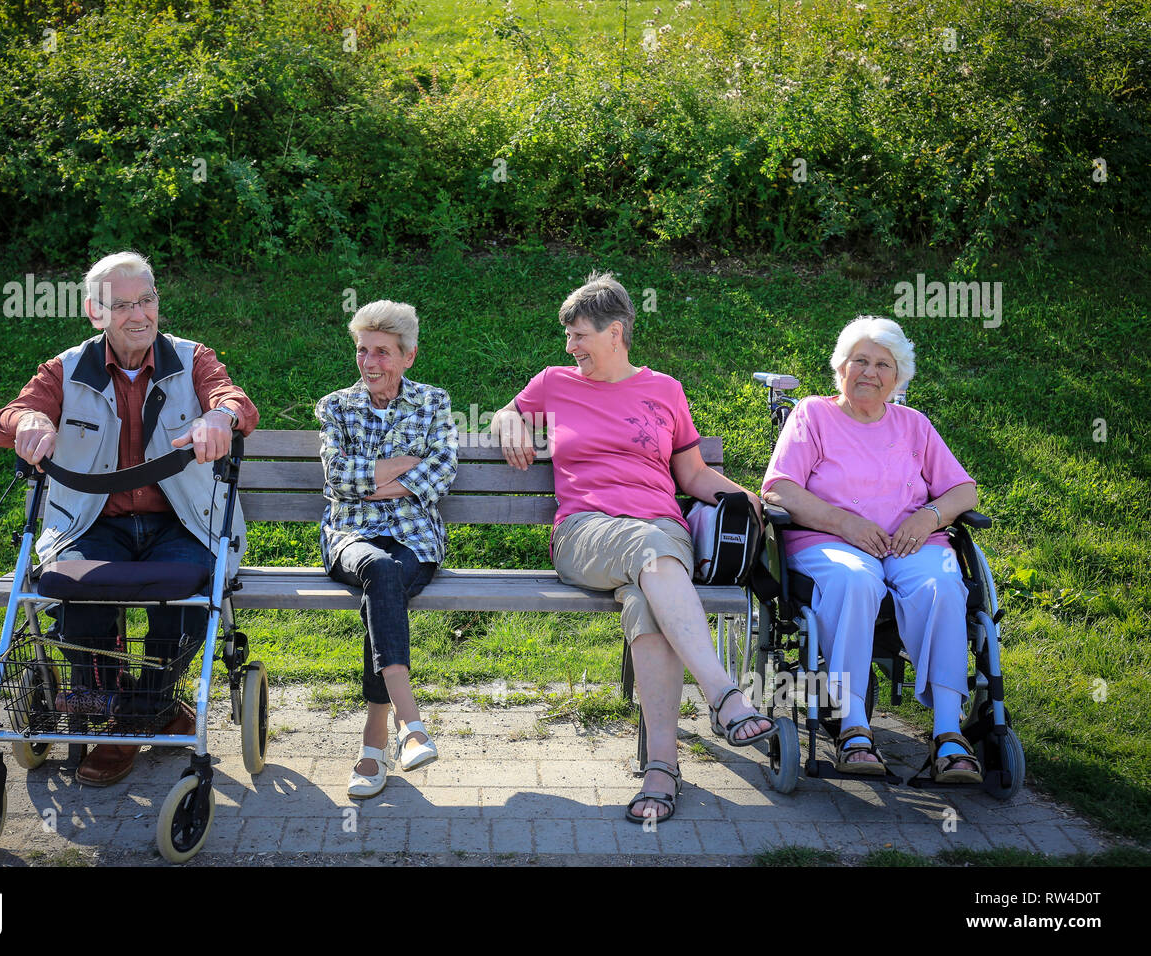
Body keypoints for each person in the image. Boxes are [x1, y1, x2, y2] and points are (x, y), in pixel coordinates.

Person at [490, 272, 774, 825]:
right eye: (567, 337)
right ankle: (724, 696)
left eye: (579, 336)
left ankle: (661, 770)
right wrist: (509, 424)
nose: (570, 347)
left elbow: (690, 472)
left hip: (660, 537)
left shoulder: (664, 389)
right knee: (650, 549)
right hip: (584, 533)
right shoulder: (553, 383)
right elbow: (507, 411)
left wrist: (747, 497)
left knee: (650, 596)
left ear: (615, 332)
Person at [0, 250, 258, 786]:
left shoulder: (192, 358)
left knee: (182, 599)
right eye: (122, 304)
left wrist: (219, 418)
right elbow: (1, 421)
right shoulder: (65, 368)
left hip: (182, 521)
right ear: (95, 313)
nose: (139, 314)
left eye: (148, 300)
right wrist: (30, 418)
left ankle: (128, 720)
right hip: (92, 523)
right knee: (77, 597)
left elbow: (235, 402)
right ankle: (146, 708)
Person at [761, 315, 982, 782]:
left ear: (897, 377)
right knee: (856, 579)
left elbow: (964, 491)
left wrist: (930, 517)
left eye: (883, 364)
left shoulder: (914, 425)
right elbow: (780, 489)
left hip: (909, 541)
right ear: (840, 367)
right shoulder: (813, 416)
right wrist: (844, 522)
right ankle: (854, 727)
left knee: (943, 582)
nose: (869, 373)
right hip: (830, 542)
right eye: (859, 360)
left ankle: (948, 732)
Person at [316, 300, 458, 799]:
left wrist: (371, 481)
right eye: (362, 351)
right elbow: (337, 477)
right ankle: (410, 724)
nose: (370, 363)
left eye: (382, 352)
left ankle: (373, 745)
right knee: (378, 568)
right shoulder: (336, 406)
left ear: (408, 357)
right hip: (348, 538)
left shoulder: (434, 403)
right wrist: (403, 464)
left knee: (384, 581)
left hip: (414, 539)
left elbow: (440, 473)